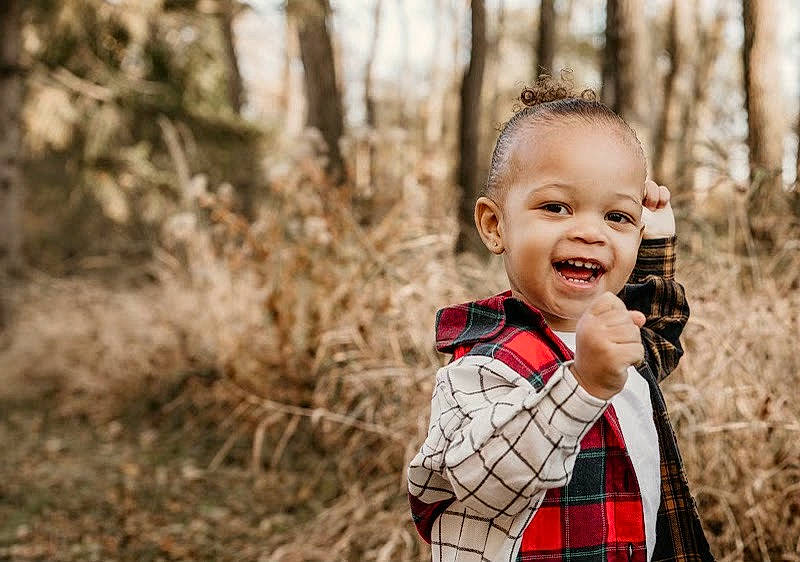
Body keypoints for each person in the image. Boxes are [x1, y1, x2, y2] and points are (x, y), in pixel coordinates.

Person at [407, 75, 715, 562]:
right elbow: (483, 477)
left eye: (616, 217)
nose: (591, 232)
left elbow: (657, 330)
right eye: (556, 207)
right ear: (495, 225)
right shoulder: (484, 361)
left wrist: (654, 240)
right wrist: (583, 385)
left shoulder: (618, 342)